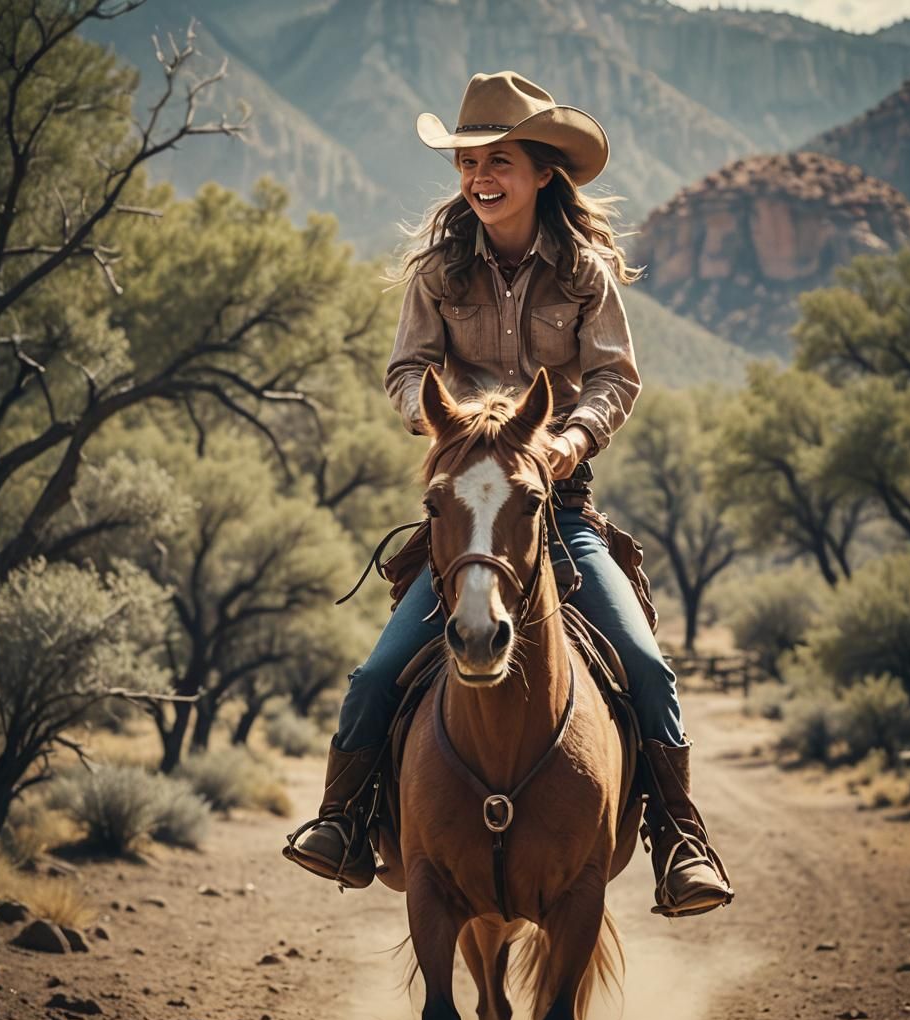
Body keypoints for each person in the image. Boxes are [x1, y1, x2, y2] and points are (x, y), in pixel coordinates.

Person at [285, 71, 733, 917]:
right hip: (466, 503)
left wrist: (568, 439)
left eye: (498, 161)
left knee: (643, 664)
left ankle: (681, 841)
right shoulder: (437, 271)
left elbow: (613, 379)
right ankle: (343, 820)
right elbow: (403, 372)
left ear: (541, 173)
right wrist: (447, 426)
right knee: (378, 673)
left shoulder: (586, 272)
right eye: (467, 162)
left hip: (556, 504)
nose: (479, 177)